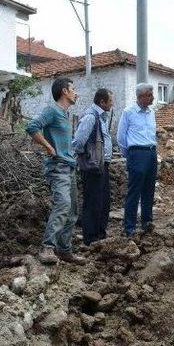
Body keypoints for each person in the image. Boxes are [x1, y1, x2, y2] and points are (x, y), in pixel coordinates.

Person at [26, 77, 86, 265]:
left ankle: (64, 250)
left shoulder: (65, 115)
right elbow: (32, 127)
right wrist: (47, 146)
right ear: (64, 92)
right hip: (57, 167)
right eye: (73, 89)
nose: (76, 92)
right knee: (62, 205)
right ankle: (47, 248)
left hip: (69, 167)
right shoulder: (52, 111)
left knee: (72, 211)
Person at [73, 88, 114, 245]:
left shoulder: (101, 117)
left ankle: (100, 235)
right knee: (93, 202)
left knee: (103, 202)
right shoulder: (91, 117)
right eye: (110, 101)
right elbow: (78, 142)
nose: (112, 104)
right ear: (102, 102)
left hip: (102, 166)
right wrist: (87, 158)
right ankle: (90, 239)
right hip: (93, 167)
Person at [117, 83, 158, 237]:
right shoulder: (129, 112)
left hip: (151, 153)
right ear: (141, 96)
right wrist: (131, 155)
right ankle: (130, 227)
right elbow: (121, 138)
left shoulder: (151, 112)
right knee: (134, 191)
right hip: (137, 153)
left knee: (149, 190)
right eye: (150, 94)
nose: (153, 97)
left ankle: (147, 222)